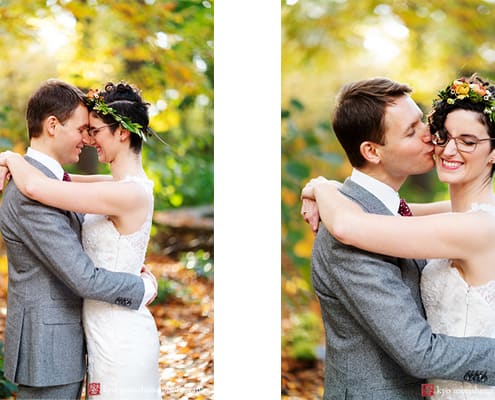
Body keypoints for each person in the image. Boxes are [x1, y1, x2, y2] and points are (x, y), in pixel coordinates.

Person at [299, 77, 495, 400]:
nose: (431, 136)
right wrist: (324, 189)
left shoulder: (387, 216)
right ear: (372, 151)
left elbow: (355, 221)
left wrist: (321, 186)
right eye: (411, 130)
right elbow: (419, 352)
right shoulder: (347, 232)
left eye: (423, 121)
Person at [0, 80, 160, 400]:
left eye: (95, 130)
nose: (88, 140)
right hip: (58, 348)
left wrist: (11, 158)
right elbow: (52, 185)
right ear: (53, 125)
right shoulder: (39, 188)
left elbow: (44, 186)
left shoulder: (125, 191)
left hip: (112, 339)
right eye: (84, 129)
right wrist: (143, 287)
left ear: (122, 133)